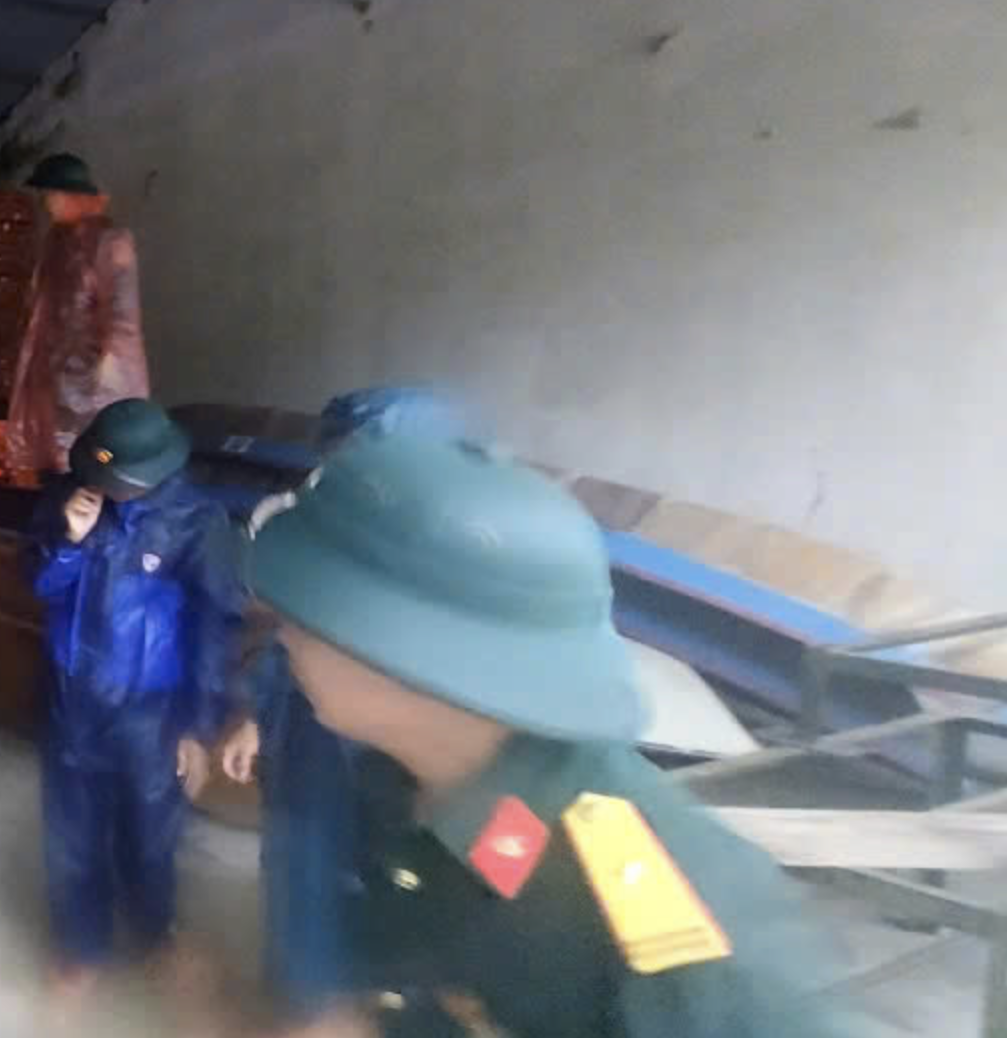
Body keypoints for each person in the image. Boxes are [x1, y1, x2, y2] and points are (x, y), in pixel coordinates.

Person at [245, 434, 856, 1038]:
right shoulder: (404, 782)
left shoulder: (658, 910)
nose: (285, 633)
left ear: (416, 661)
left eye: (310, 612)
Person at [218, 387, 469, 1023]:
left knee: (396, 877)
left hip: (401, 750)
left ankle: (379, 1002)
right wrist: (251, 715)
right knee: (302, 863)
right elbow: (282, 632)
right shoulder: (303, 522)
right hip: (308, 730)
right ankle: (301, 1004)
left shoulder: (455, 548)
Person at [23, 398, 243, 1001]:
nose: (106, 490)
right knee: (71, 833)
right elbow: (40, 585)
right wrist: (70, 538)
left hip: (151, 710)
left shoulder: (195, 522)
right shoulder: (70, 500)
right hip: (71, 700)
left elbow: (215, 625)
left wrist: (198, 726)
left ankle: (155, 937)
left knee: (149, 835)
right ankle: (80, 947)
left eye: (119, 482)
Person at [7, 152, 148, 474]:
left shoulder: (111, 242)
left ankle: (92, 497)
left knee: (95, 451)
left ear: (72, 195)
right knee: (53, 448)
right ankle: (55, 499)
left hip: (95, 371)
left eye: (52, 195)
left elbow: (122, 310)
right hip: (55, 369)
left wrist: (111, 361)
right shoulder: (57, 243)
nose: (47, 203)